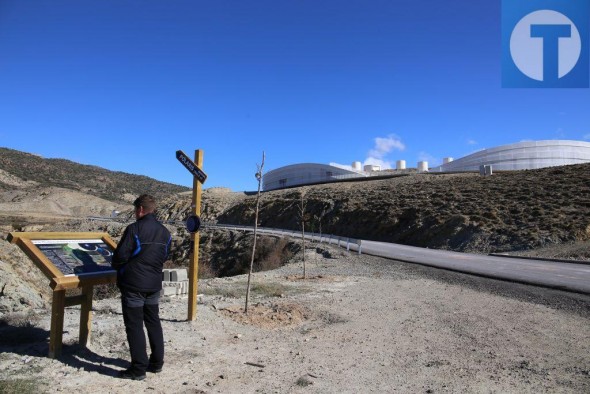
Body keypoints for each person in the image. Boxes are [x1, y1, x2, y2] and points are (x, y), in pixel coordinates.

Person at [112, 194, 171, 380]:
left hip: (133, 286)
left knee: (135, 326)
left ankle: (138, 369)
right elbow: (165, 256)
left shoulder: (134, 229)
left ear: (140, 210)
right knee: (153, 322)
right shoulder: (165, 232)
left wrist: (122, 269)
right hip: (153, 284)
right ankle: (156, 363)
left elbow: (120, 257)